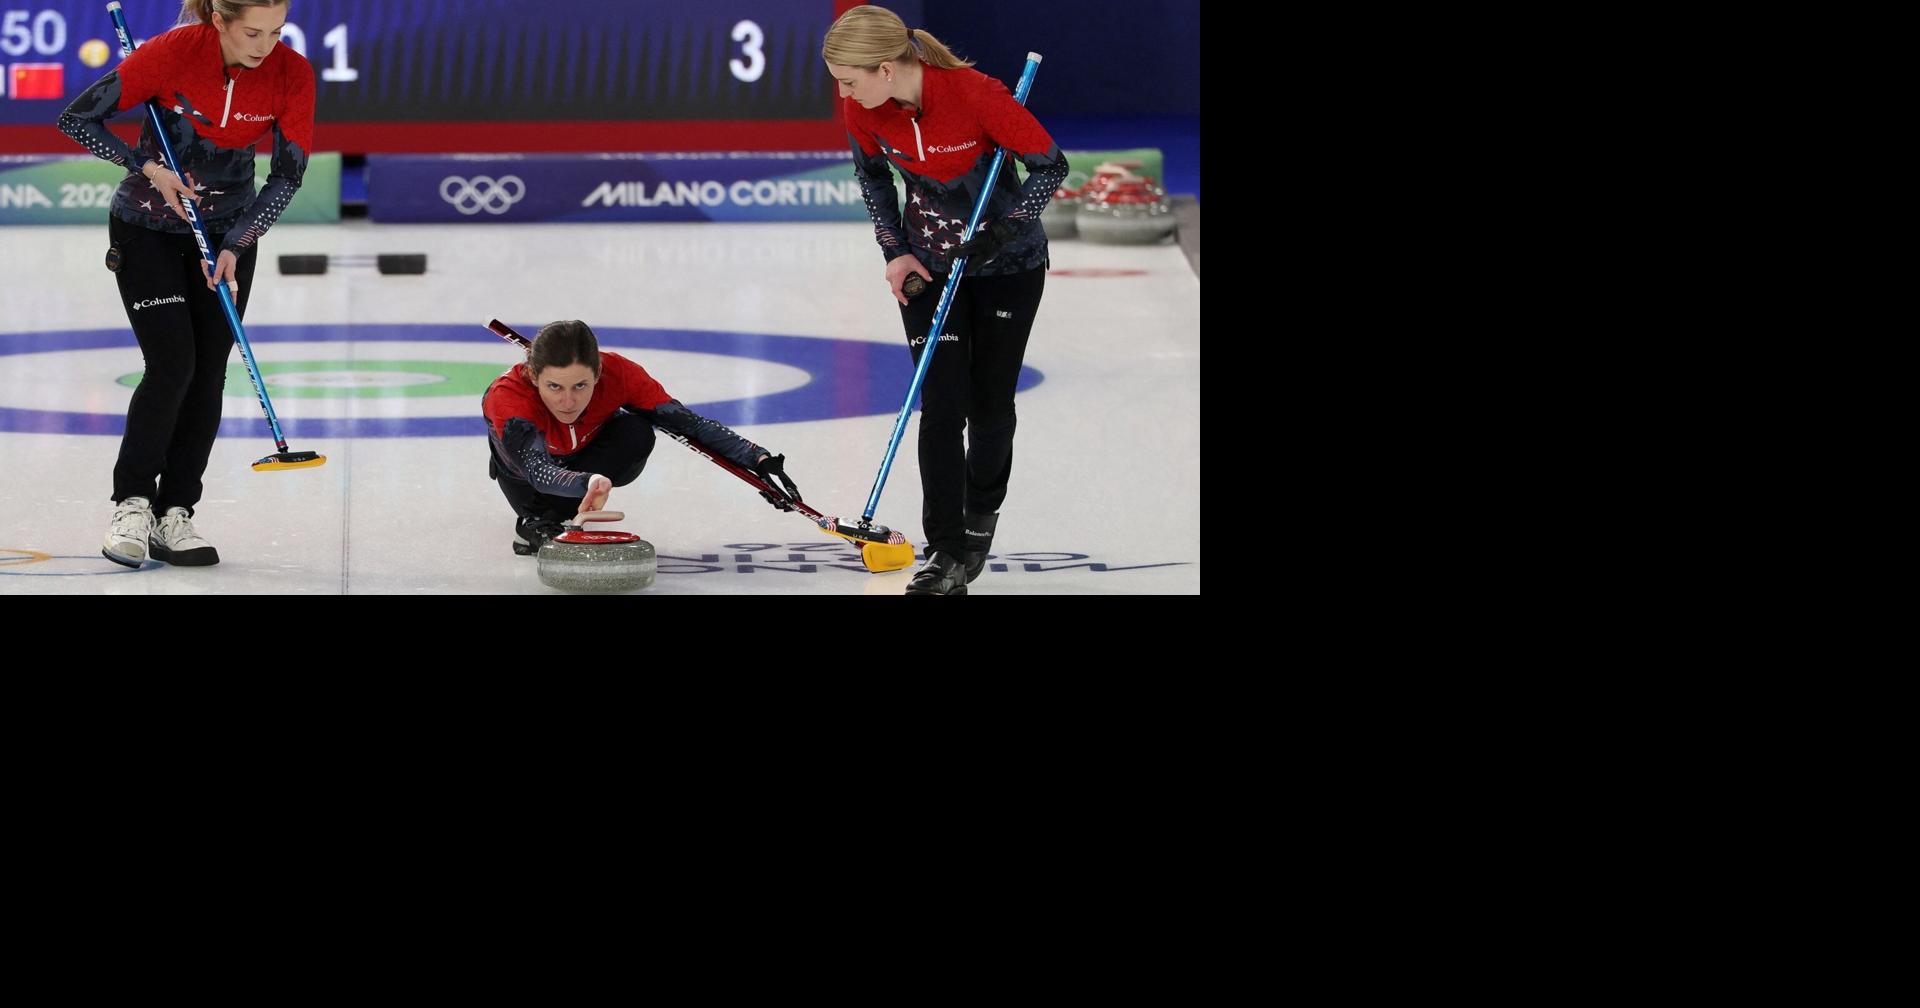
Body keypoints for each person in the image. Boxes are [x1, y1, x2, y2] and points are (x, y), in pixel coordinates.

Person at [59, 0, 314, 568]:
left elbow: (290, 173)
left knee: (208, 372)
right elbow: (77, 118)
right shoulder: (175, 52)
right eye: (252, 31)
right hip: (147, 227)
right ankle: (132, 503)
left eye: (276, 31)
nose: (265, 44)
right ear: (219, 22)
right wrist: (148, 168)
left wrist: (238, 243)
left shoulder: (291, 73)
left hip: (228, 236)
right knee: (173, 363)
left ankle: (176, 512)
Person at [823, 5, 1068, 595]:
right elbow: (874, 179)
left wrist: (1002, 231)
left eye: (849, 79)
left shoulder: (975, 94)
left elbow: (1049, 167)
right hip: (928, 271)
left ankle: (979, 522)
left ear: (886, 68)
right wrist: (894, 252)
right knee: (940, 408)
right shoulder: (863, 110)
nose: (843, 92)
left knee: (988, 408)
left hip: (1008, 266)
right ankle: (945, 551)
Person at [483, 320, 804, 555]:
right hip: (531, 480)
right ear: (534, 375)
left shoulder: (619, 374)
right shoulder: (509, 399)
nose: (568, 401)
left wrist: (756, 457)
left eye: (580, 385)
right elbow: (538, 471)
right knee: (537, 485)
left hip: (583, 458)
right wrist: (588, 482)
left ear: (597, 373)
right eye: (555, 387)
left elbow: (687, 423)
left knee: (636, 431)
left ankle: (564, 507)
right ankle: (536, 520)